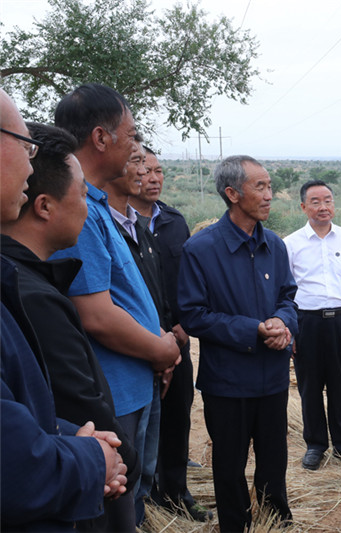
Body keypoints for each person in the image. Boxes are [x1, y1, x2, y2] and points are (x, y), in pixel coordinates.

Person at [49, 83, 181, 526]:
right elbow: (96, 316)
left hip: (137, 381)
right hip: (115, 393)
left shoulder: (102, 205)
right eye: (132, 133)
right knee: (118, 509)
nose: (136, 147)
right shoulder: (78, 208)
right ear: (101, 138)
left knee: (136, 500)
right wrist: (160, 349)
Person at [1, 121, 141, 531]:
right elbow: (71, 405)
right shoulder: (31, 296)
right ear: (45, 206)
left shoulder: (29, 282)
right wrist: (106, 458)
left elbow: (36, 417)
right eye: (82, 194)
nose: (87, 206)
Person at [178, 155, 297, 532]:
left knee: (274, 458)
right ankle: (236, 525)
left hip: (274, 377)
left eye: (269, 186)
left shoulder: (275, 245)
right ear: (232, 193)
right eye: (259, 187)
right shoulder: (200, 249)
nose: (269, 195)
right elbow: (193, 314)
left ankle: (276, 520)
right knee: (229, 464)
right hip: (227, 381)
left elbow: (288, 296)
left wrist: (282, 321)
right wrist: (253, 330)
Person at [128, 146, 210, 521]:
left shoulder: (175, 222)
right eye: (145, 170)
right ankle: (135, 502)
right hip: (135, 340)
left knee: (178, 415)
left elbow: (190, 280)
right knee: (138, 424)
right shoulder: (115, 226)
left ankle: (175, 492)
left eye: (159, 170)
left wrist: (184, 324)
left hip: (177, 339)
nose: (154, 177)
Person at [105, 138, 176, 524]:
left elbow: (150, 298)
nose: (144, 172)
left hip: (149, 366)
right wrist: (158, 349)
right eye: (136, 162)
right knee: (126, 473)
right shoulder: (93, 223)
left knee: (142, 471)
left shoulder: (139, 229)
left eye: (151, 167)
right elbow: (99, 315)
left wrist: (163, 341)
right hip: (125, 374)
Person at [284, 179, 341, 470]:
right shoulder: (291, 244)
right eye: (316, 202)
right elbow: (284, 292)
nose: (323, 207)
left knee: (340, 386)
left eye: (328, 200)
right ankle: (316, 445)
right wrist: (290, 329)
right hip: (305, 323)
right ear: (303, 206)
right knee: (309, 387)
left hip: (340, 322)